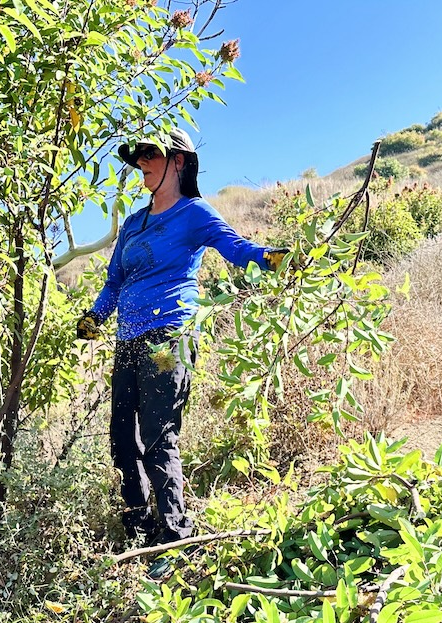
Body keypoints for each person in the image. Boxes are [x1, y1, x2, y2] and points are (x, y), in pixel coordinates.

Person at [76, 127, 286, 547]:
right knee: (122, 440)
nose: (141, 162)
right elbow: (113, 282)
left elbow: (235, 247)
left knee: (158, 434)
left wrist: (270, 258)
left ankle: (174, 538)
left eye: (151, 153)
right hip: (128, 340)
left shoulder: (194, 213)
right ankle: (138, 531)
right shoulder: (134, 223)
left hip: (169, 338)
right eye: (137, 156)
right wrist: (94, 317)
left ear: (179, 162)